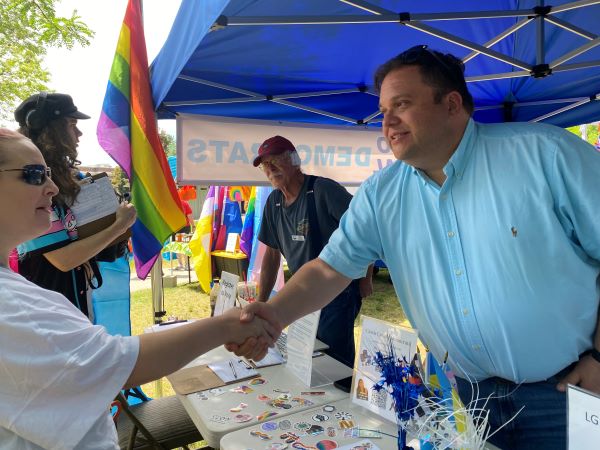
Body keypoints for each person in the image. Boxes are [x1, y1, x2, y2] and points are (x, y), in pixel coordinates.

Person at [229, 45, 600, 449]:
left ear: (452, 104)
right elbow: (329, 269)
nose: (387, 121)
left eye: (401, 104)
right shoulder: (381, 194)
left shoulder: (546, 155)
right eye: (383, 110)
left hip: (566, 393)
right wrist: (274, 314)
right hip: (467, 397)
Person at [0, 128, 274, 449]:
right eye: (33, 175)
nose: (52, 187)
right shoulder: (12, 305)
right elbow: (121, 363)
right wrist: (228, 325)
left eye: (47, 173)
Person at [253, 135, 373, 367]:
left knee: (334, 360)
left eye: (275, 161)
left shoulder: (323, 190)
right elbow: (271, 255)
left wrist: (366, 278)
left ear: (295, 161)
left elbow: (365, 230)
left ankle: (343, 398)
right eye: (265, 165)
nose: (270, 169)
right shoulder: (274, 203)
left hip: (338, 292)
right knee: (308, 354)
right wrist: (262, 303)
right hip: (302, 293)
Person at [14, 92, 132, 319]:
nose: (79, 133)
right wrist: (119, 226)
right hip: (48, 308)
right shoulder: (30, 181)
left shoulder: (71, 177)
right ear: (49, 130)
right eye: (71, 124)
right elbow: (62, 260)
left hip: (76, 297)